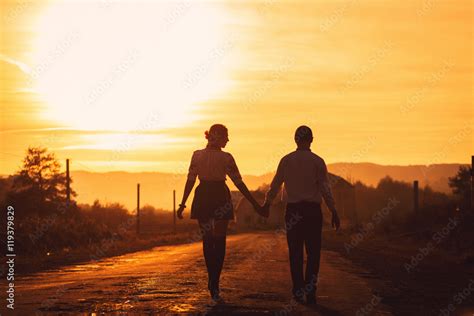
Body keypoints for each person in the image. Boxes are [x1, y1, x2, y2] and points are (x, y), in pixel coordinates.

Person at [176, 124, 263, 301]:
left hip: (203, 196)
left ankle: (212, 278)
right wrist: (254, 203)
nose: (228, 140)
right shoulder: (227, 158)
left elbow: (191, 180)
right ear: (218, 137)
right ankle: (215, 280)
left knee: (208, 240)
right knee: (219, 240)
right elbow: (239, 183)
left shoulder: (197, 155)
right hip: (220, 195)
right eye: (226, 136)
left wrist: (183, 203)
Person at [262, 125, 340, 305]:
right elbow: (325, 189)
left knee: (295, 252)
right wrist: (333, 210)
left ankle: (298, 290)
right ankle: (311, 290)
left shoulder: (286, 160)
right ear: (312, 139)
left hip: (293, 212)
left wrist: (267, 204)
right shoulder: (318, 161)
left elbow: (275, 186)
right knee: (313, 253)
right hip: (312, 212)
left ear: (295, 140)